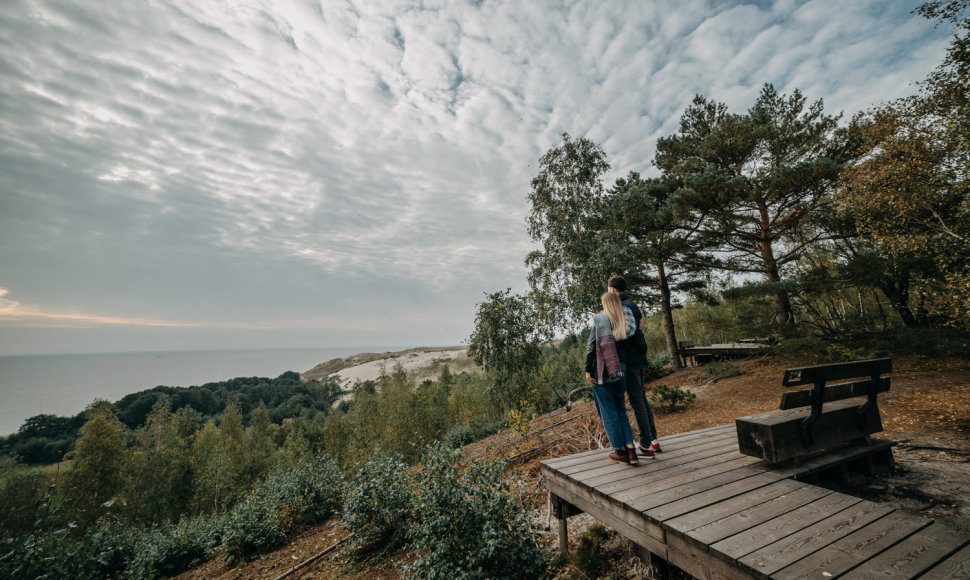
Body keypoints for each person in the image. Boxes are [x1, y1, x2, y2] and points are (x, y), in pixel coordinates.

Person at [607, 275, 662, 458]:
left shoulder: (624, 306)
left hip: (631, 359)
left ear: (613, 290)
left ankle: (645, 445)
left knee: (637, 400)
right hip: (638, 356)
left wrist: (611, 337)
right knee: (641, 399)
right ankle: (653, 440)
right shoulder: (632, 304)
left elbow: (630, 330)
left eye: (608, 289)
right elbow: (638, 327)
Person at [584, 292, 639, 466]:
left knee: (608, 412)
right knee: (621, 410)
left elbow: (591, 346)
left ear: (606, 304)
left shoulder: (601, 321)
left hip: (602, 372)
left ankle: (620, 451)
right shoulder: (624, 323)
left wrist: (587, 370)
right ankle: (631, 451)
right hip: (620, 371)